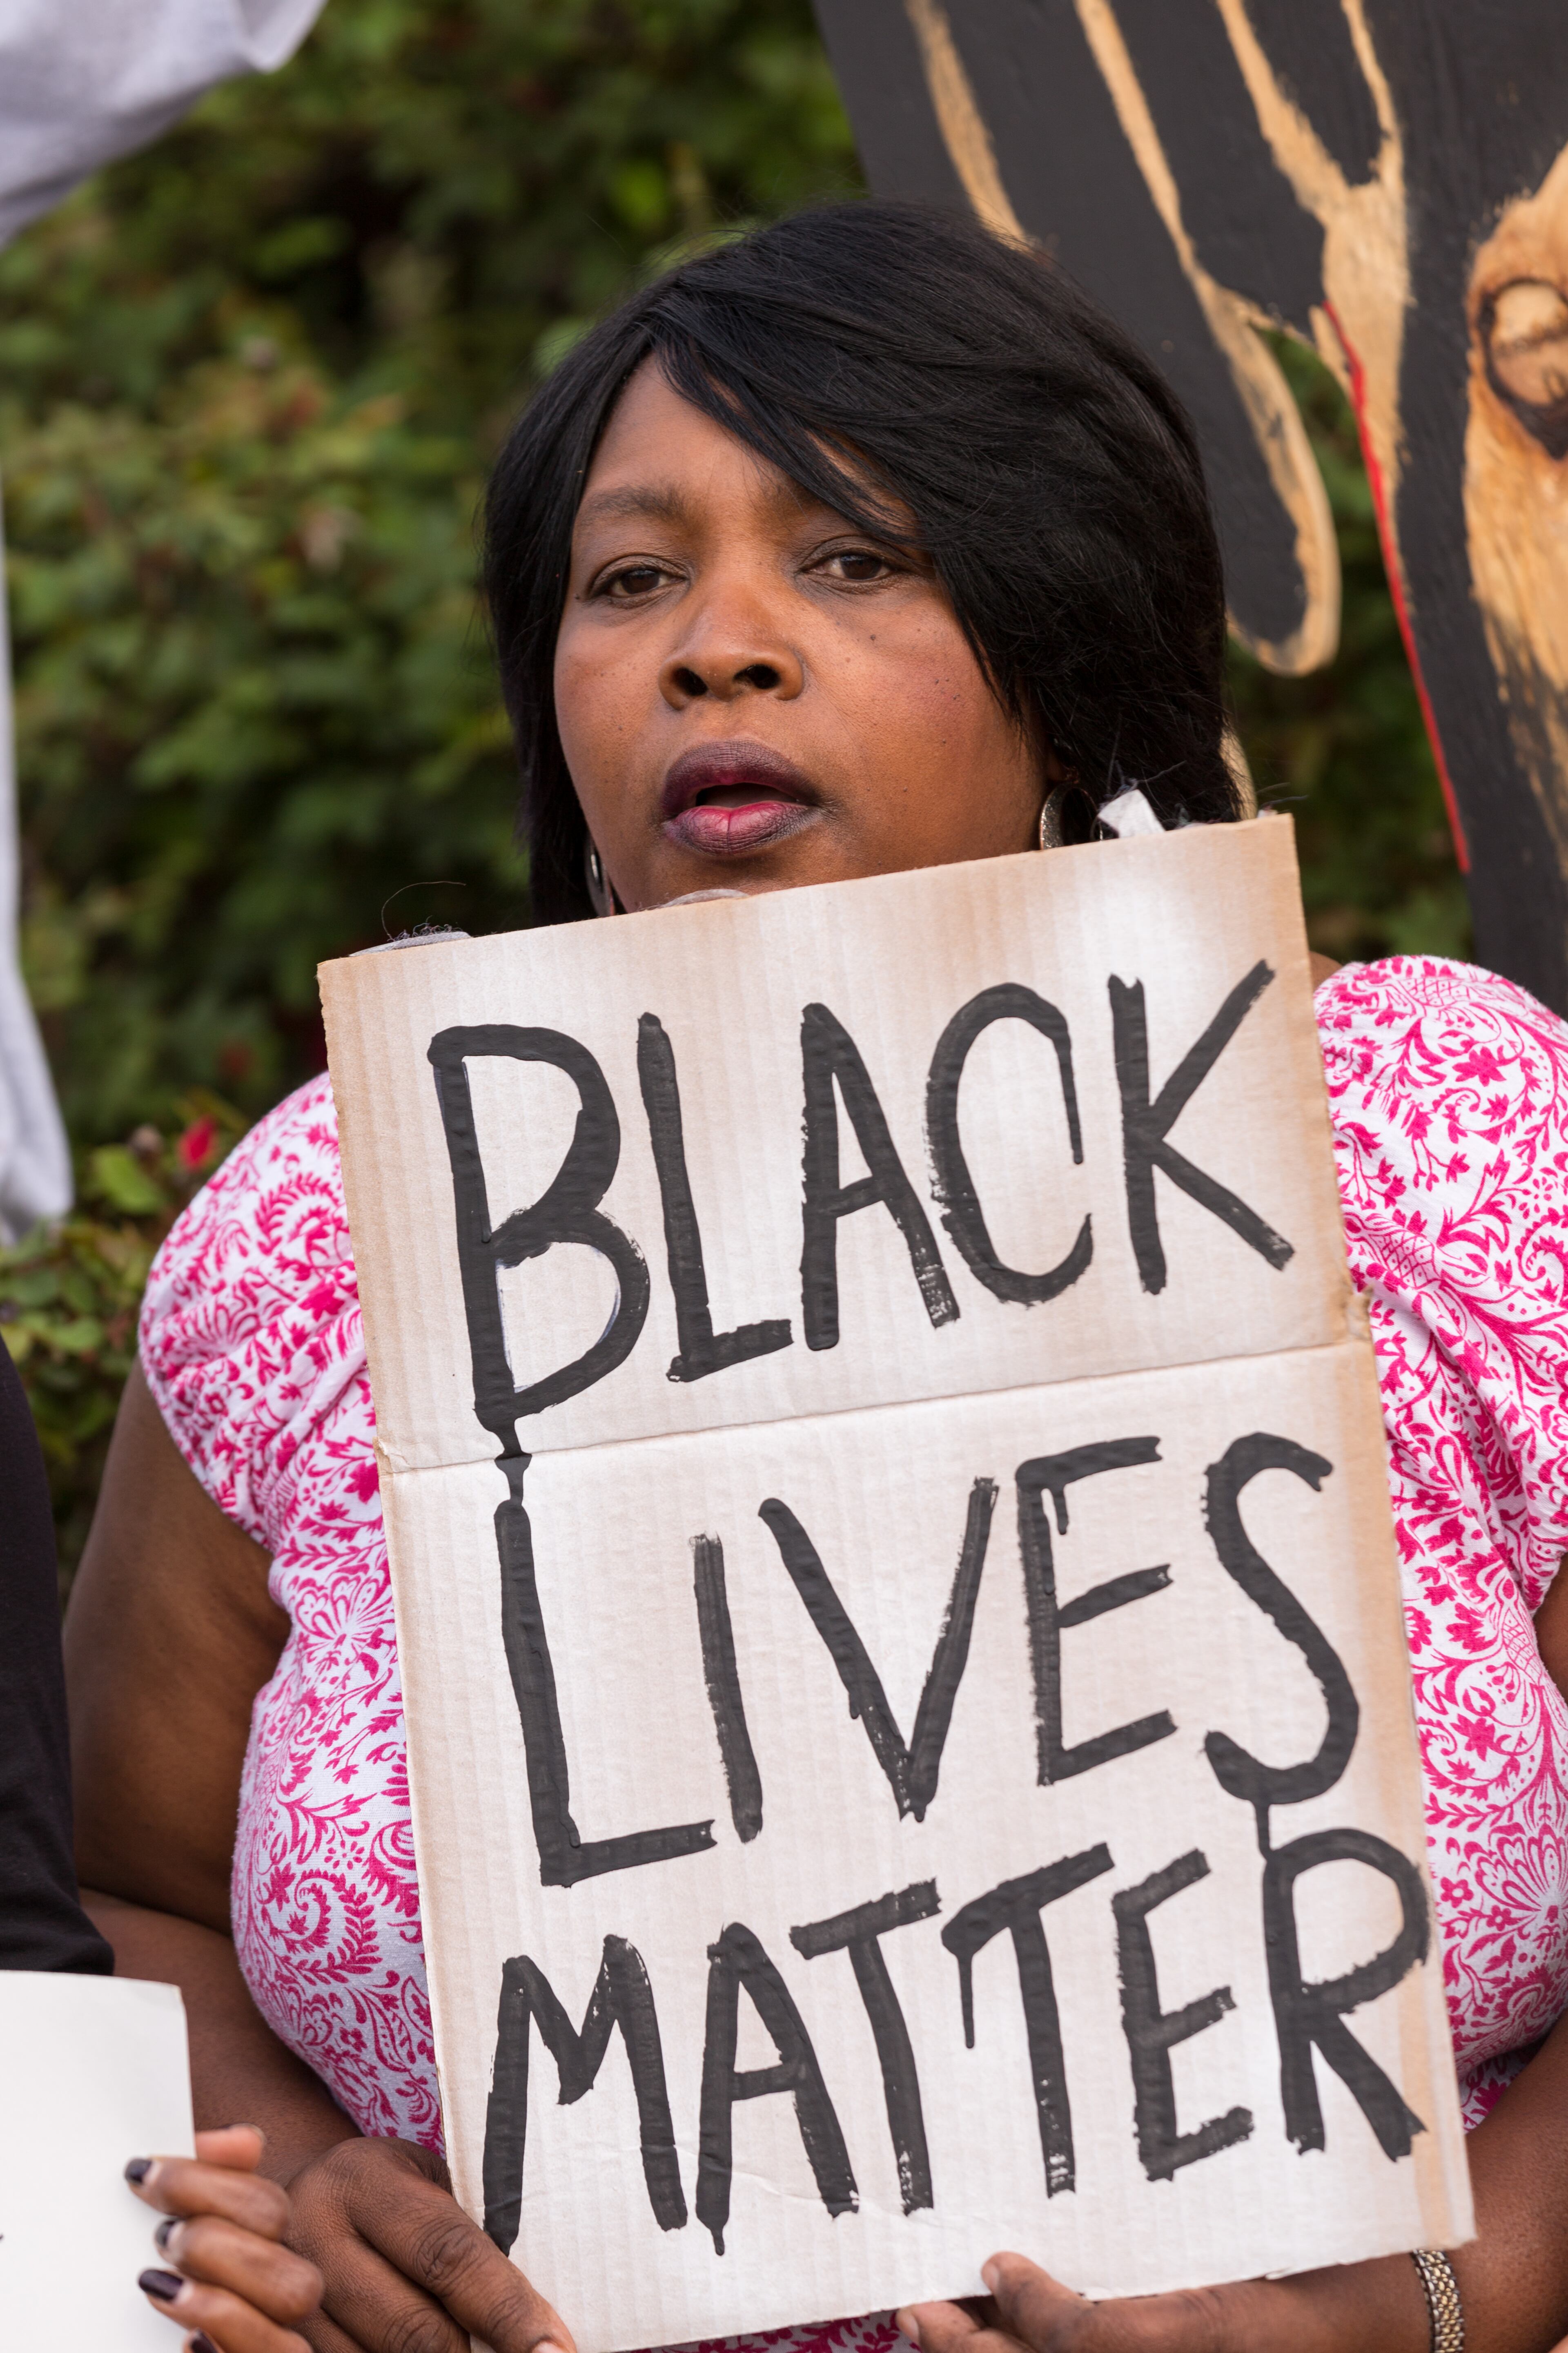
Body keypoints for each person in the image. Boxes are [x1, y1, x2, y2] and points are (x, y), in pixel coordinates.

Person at [62, 202, 1568, 2353]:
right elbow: (127, 1897)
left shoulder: (1456, 1143)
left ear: (1063, 648)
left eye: (854, 556)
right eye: (630, 576)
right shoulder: (327, 1241)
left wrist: (1396, 2313)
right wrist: (302, 2202)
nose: (719, 642)